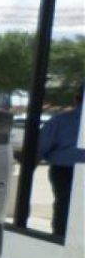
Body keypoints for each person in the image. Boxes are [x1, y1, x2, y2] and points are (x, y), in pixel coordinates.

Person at [37, 91, 84, 240]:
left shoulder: (61, 120)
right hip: (66, 170)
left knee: (64, 206)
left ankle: (60, 239)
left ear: (76, 99)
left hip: (64, 171)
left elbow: (41, 147)